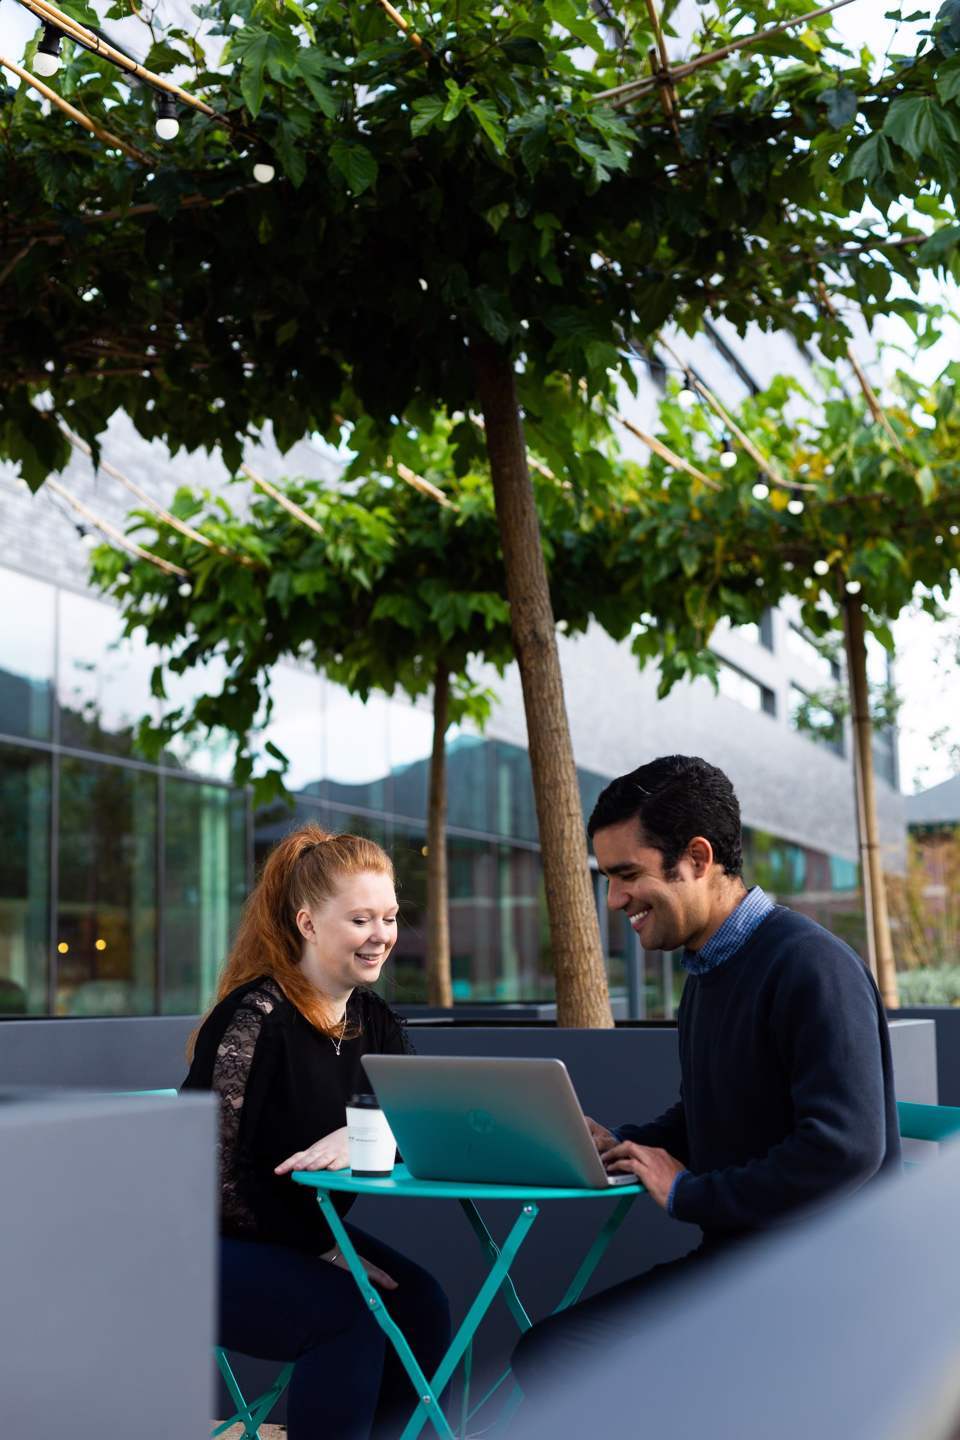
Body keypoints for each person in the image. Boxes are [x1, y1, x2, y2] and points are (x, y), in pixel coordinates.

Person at [513, 754, 900, 1390]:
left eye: (626, 874)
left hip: (818, 1287)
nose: (614, 900)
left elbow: (846, 1149)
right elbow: (721, 1110)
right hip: (744, 1270)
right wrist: (631, 1147)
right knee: (552, 1355)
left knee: (560, 1361)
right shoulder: (711, 971)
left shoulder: (810, 967)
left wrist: (690, 1193)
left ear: (697, 857)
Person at [182, 823, 450, 1440]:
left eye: (388, 916)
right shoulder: (255, 1018)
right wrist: (324, 1249)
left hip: (298, 1234)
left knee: (421, 1304)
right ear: (307, 923)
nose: (381, 935)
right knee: (350, 1316)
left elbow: (419, 1114)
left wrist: (367, 1135)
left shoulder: (371, 1018)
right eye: (360, 920)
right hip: (193, 1244)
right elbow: (208, 1177)